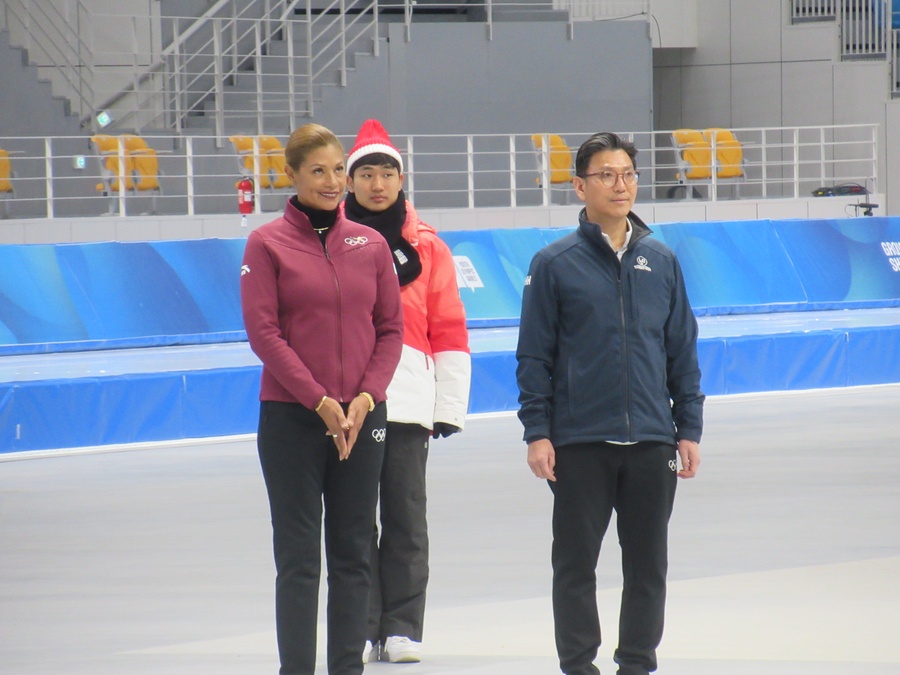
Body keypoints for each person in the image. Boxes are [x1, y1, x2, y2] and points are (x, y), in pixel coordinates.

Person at [515, 132, 704, 675]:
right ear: (579, 185)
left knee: (649, 566)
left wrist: (687, 428)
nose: (619, 185)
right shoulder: (554, 264)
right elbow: (534, 357)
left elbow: (681, 352)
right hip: (579, 442)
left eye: (627, 174)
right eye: (605, 175)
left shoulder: (662, 261)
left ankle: (637, 663)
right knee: (575, 565)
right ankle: (578, 664)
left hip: (652, 441)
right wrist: (538, 432)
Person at [240, 122, 404, 675]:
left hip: (362, 417)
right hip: (292, 419)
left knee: (355, 552)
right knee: (299, 561)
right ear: (291, 175)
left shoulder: (372, 243)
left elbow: (390, 330)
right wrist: (319, 401)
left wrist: (365, 397)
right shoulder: (266, 244)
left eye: (339, 169)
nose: (333, 181)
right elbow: (265, 334)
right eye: (319, 171)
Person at [341, 119, 471, 664]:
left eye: (386, 173)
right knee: (351, 520)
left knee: (405, 518)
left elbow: (448, 325)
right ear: (350, 183)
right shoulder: (329, 241)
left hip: (409, 402)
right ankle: (363, 625)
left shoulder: (430, 248)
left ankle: (402, 628)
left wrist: (447, 407)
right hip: (346, 403)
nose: (377, 183)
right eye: (366, 173)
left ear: (401, 179)